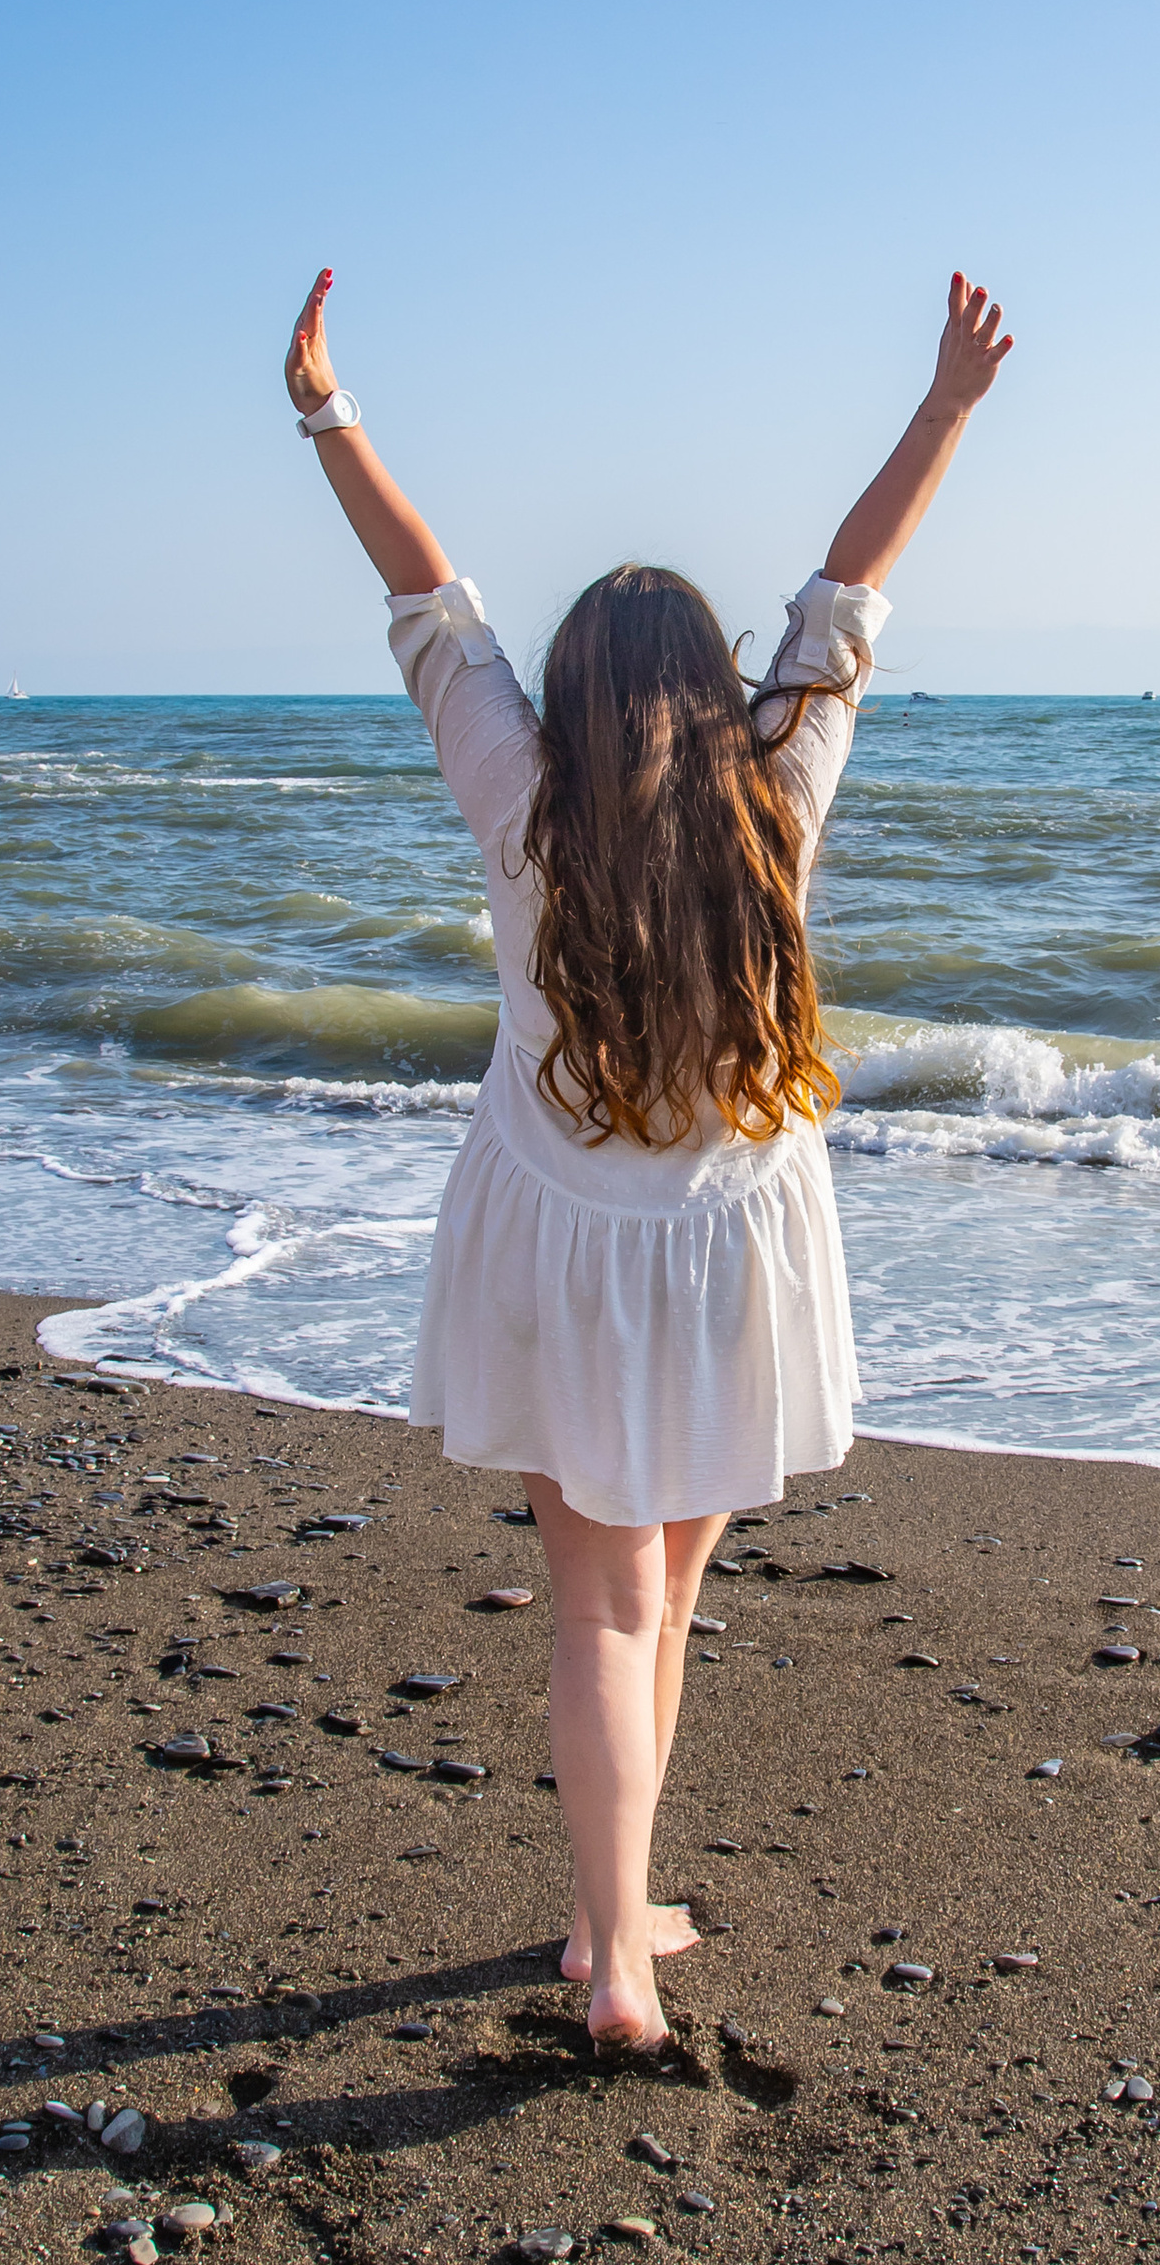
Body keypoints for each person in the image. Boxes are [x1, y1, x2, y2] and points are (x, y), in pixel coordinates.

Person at [282, 266, 1017, 2047]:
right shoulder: (782, 792)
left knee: (604, 1607)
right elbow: (846, 605)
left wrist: (328, 414)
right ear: (708, 691)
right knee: (667, 1598)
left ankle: (614, 1944)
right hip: (724, 1242)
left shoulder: (520, 801)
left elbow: (428, 602)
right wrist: (943, 407)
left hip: (558, 1232)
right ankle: (620, 1931)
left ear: (576, 701)